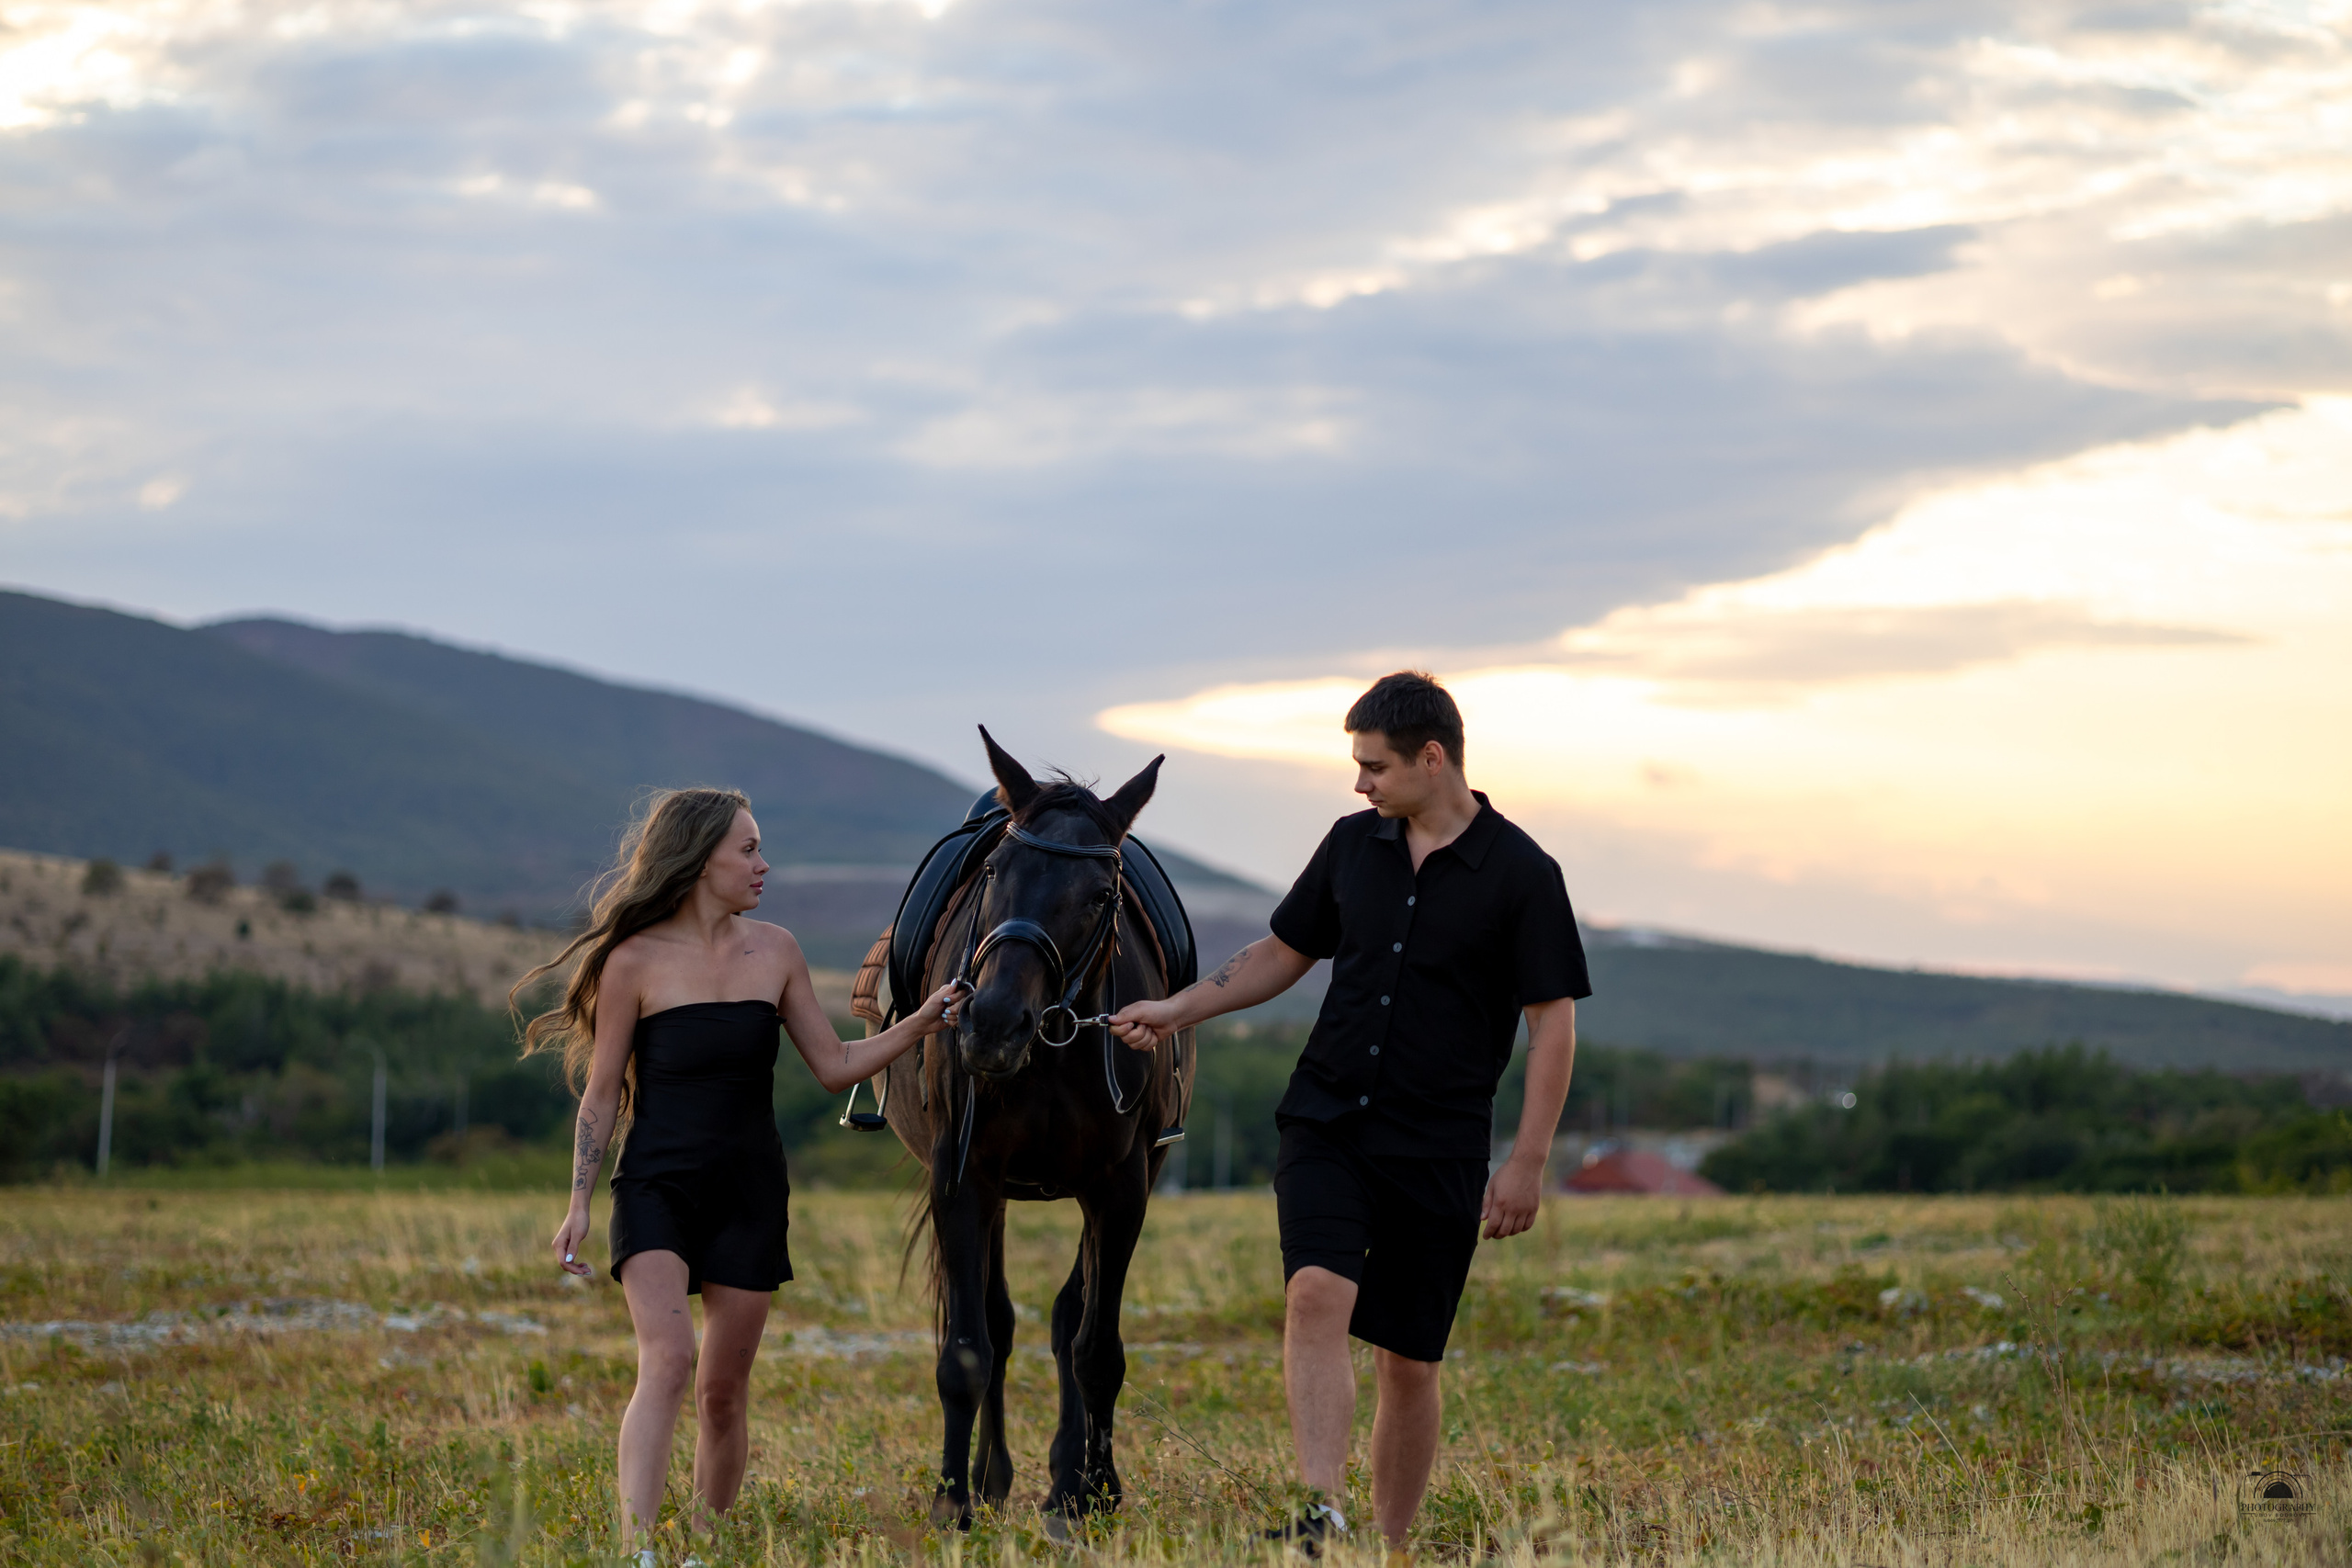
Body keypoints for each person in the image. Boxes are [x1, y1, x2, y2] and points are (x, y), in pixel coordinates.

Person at [1110, 671, 1589, 1554]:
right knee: (1316, 1291)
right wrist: (1177, 1009)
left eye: (1373, 766)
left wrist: (1526, 1162)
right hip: (1327, 1119)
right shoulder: (1349, 846)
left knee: (1410, 1360)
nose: (1360, 783)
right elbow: (1283, 952)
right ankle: (1319, 1513)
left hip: (1440, 1145)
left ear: (1432, 758)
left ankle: (1392, 1544)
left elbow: (1553, 1024)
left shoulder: (1523, 873)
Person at [513, 787, 966, 1560]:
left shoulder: (778, 950)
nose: (763, 863)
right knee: (668, 1359)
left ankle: (701, 1549)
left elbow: (834, 1066)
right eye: (748, 849)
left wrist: (919, 1022)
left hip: (751, 1190)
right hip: (656, 1183)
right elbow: (598, 1097)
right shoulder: (633, 960)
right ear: (698, 860)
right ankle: (637, 1552)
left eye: (760, 848)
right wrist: (578, 1203)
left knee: (723, 1391)